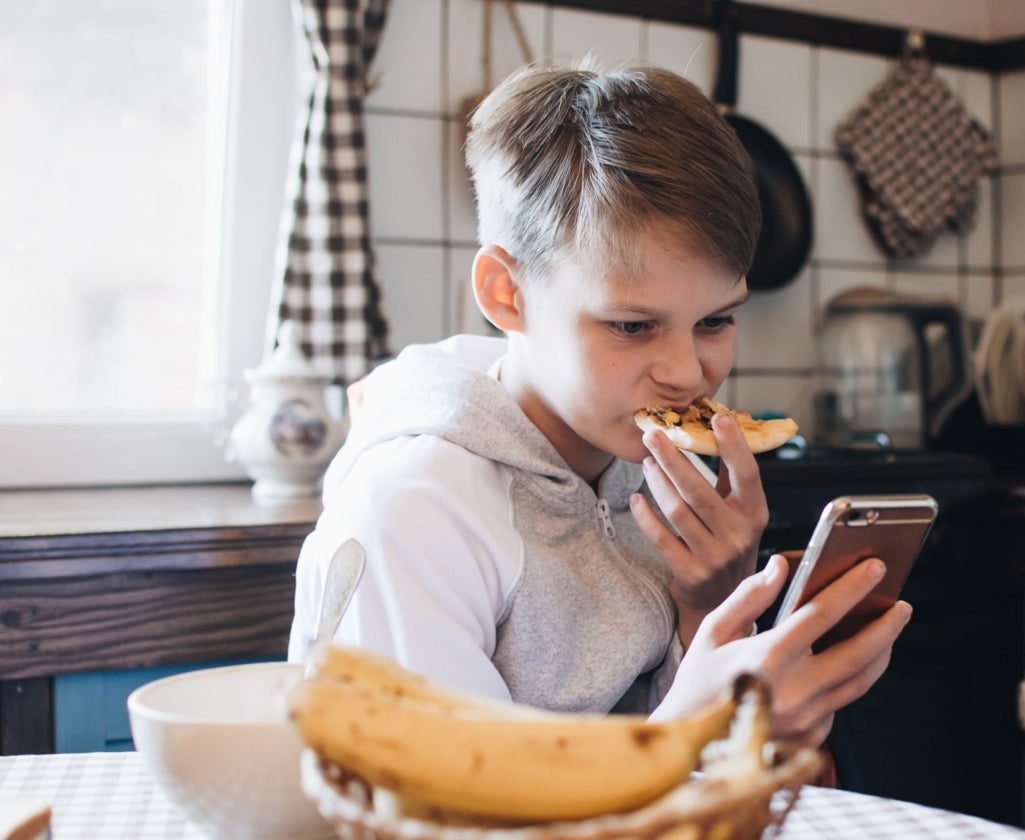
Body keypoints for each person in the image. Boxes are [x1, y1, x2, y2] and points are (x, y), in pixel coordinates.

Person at [287, 59, 911, 747]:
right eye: (632, 326)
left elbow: (694, 784)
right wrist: (700, 726)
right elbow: (443, 811)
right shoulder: (413, 511)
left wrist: (710, 604)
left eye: (716, 321)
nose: (686, 375)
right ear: (506, 294)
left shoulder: (656, 474)